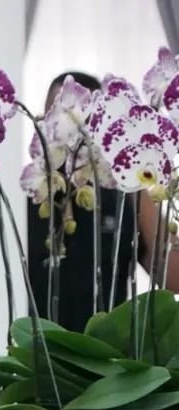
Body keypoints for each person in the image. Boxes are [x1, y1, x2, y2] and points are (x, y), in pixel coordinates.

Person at [27, 70, 179, 331]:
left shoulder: (124, 198)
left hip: (107, 350)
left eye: (84, 123)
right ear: (42, 125)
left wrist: (133, 177)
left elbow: (174, 278)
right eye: (58, 122)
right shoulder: (25, 198)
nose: (73, 136)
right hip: (34, 348)